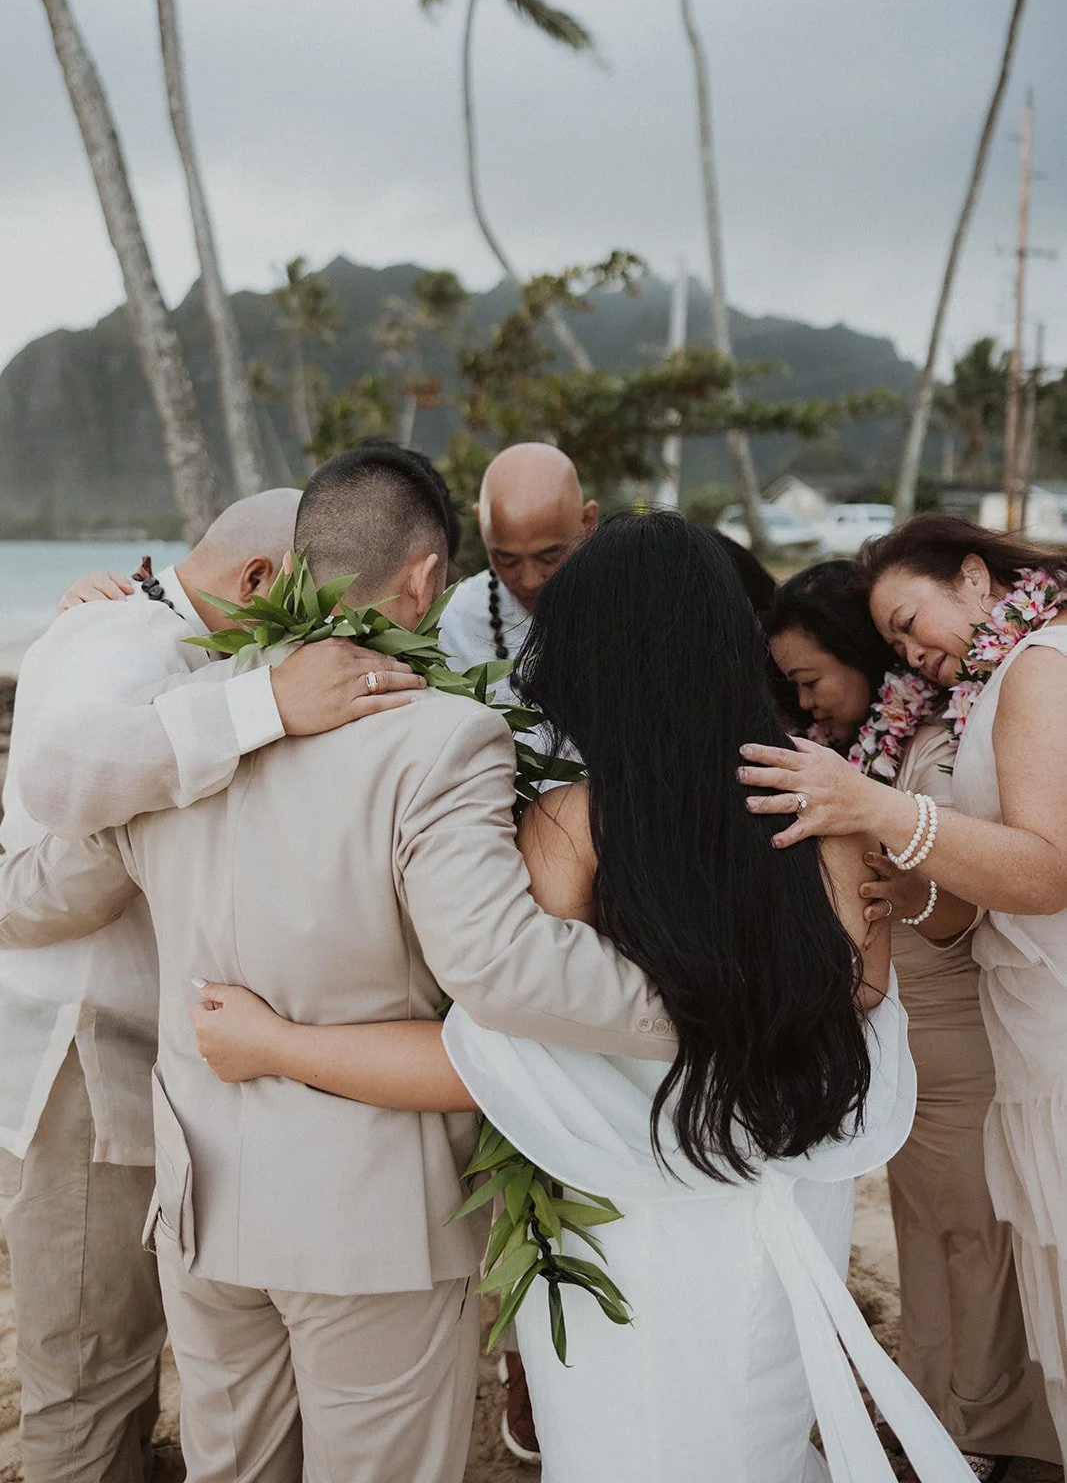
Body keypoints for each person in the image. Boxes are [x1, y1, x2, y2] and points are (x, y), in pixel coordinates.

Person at [185, 513, 978, 1483]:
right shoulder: (829, 808)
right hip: (784, 1203)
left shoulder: (575, 826)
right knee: (754, 1435)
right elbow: (861, 995)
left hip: (623, 1228)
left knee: (626, 1446)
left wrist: (274, 1044)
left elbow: (488, 1057)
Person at [0, 449, 680, 1483]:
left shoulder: (177, 726)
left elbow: (44, 887)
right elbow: (499, 967)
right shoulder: (445, 738)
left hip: (203, 1204)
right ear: (424, 578)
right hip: (369, 1221)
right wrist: (687, 1006)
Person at [0, 487, 420, 1483]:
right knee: (89, 1372)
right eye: (309, 601)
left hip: (169, 1060)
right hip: (83, 1058)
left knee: (143, 1356)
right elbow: (52, 817)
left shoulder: (159, 639)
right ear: (259, 578)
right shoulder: (126, 646)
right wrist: (267, 708)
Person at [739, 514, 1067, 1467]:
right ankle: (950, 1413)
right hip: (1006, 1014)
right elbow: (969, 905)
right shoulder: (993, 682)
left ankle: (980, 1427)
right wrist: (908, 884)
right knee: (966, 1239)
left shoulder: (1029, 672)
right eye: (893, 640)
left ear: (973, 577)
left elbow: (1039, 872)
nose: (912, 652)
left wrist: (876, 812)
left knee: (989, 1240)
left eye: (908, 622)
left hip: (1012, 1020)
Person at [439, 442, 597, 693]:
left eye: (549, 557)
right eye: (507, 560)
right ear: (483, 528)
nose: (530, 580)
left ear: (588, 523)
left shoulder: (624, 609)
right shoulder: (450, 622)